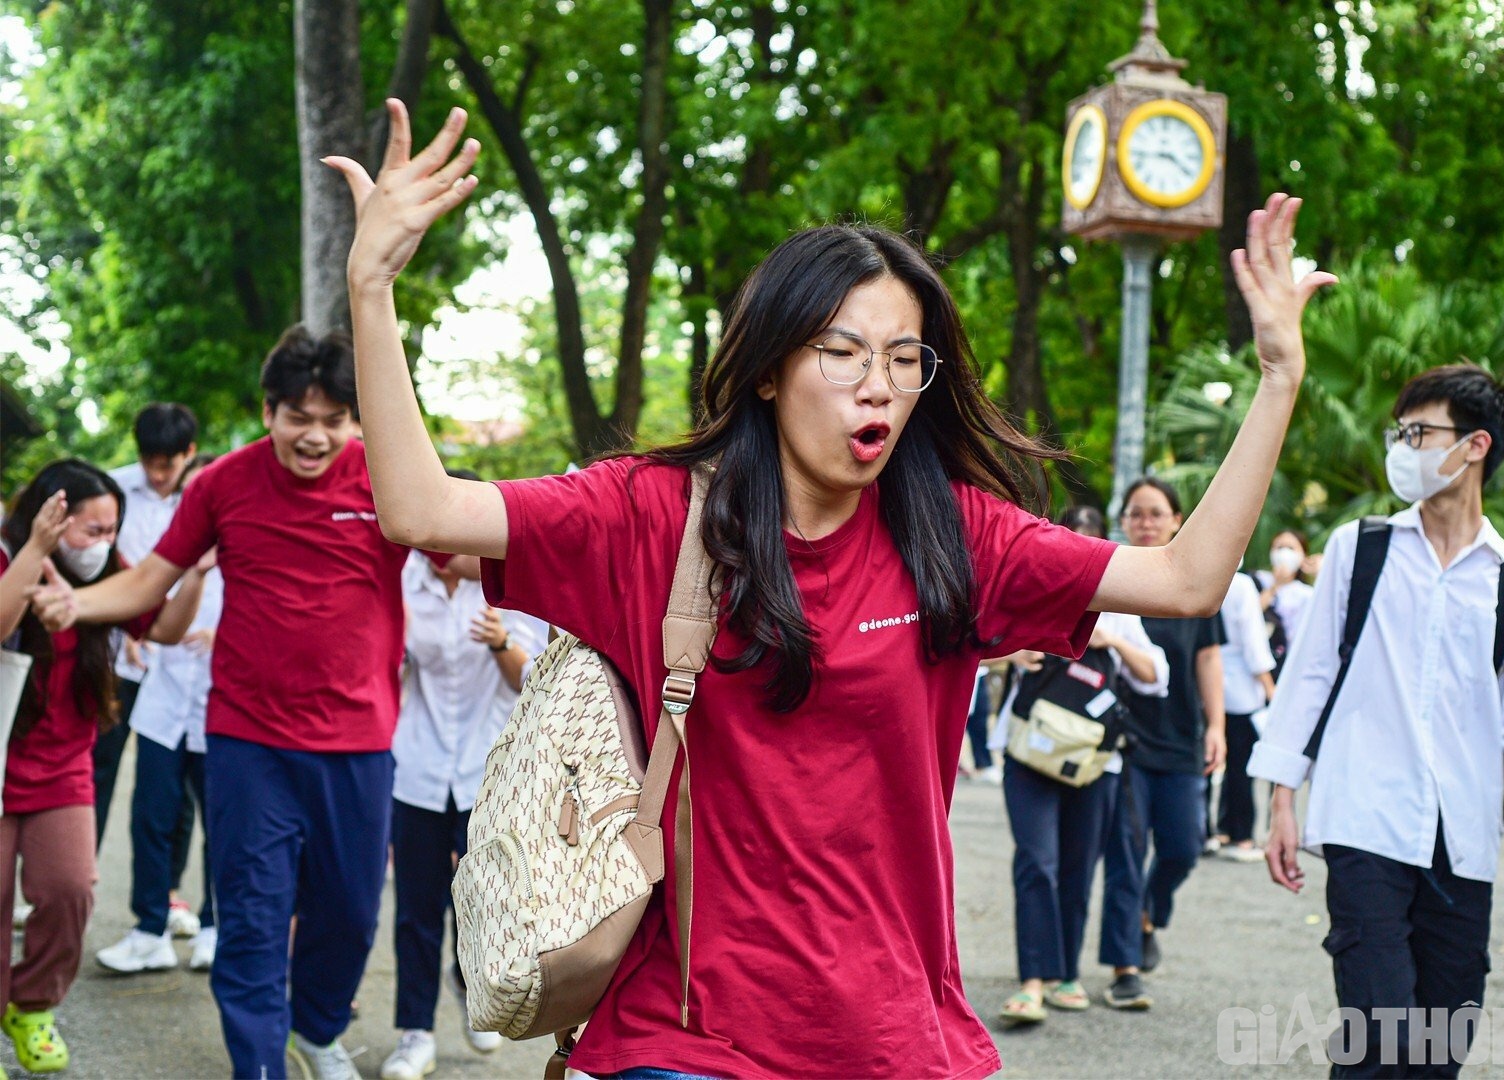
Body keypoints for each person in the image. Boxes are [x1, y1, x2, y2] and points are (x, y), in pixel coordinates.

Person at [321, 100, 1331, 1077]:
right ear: (767, 369)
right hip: (683, 1039)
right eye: (841, 353)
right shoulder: (650, 516)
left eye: (902, 358)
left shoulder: (956, 537)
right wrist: (371, 291)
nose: (877, 384)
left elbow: (1189, 574)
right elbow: (420, 510)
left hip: (893, 1040)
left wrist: (1276, 376)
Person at [27, 331, 474, 1080]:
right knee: (254, 915)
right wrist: (79, 603)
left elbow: (467, 546)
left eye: (335, 417)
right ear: (268, 413)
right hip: (248, 740)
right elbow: (151, 582)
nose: (316, 435)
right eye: (299, 415)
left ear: (358, 423)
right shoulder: (223, 484)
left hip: (360, 743)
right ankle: (258, 1064)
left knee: (352, 912)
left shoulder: (386, 479)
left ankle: (317, 1027)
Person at [1252, 363, 1504, 1076]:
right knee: (1381, 1033)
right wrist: (1281, 796)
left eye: (1418, 432)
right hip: (1362, 821)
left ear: (1474, 446)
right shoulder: (1357, 548)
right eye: (1398, 432)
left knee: (1440, 1044)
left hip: (1460, 836)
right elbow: (1310, 675)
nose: (1401, 447)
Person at [0, 460, 209, 1073]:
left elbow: (166, 628)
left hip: (63, 763)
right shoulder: (11, 552)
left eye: (110, 530)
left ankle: (32, 1006)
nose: (103, 544)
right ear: (50, 517)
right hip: (0, 759)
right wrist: (33, 550)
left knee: (69, 890)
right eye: (89, 531)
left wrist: (194, 574)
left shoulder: (112, 573)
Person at [379, 474, 549, 1080]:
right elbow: (392, 670)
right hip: (419, 768)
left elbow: (529, 682)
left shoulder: (514, 586)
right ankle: (414, 1032)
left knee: (483, 901)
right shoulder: (403, 582)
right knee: (417, 908)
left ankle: (470, 990)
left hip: (490, 773)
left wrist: (501, 642)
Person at [994, 504, 1168, 1024]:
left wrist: (1109, 638)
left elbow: (1157, 676)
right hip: (1028, 753)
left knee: (1076, 868)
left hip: (1095, 764)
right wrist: (1014, 651)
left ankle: (1065, 973)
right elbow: (972, 653)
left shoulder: (1118, 605)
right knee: (1036, 862)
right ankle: (1031, 981)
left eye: (1087, 542)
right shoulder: (1024, 594)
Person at [1096, 477, 1226, 1010]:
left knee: (1183, 847)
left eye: (1155, 513)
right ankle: (1125, 965)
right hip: (1124, 741)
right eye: (1135, 514)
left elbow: (1207, 659)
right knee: (1126, 854)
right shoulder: (1111, 580)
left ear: (1177, 520)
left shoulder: (1197, 584)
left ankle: (1151, 910)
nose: (1145, 522)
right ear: (1123, 521)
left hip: (1182, 740)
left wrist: (1216, 726)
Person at [96, 454, 221, 976]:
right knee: (151, 818)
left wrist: (222, 635)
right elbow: (146, 612)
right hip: (164, 704)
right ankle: (149, 930)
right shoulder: (169, 551)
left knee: (225, 825)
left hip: (222, 709)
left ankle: (217, 928)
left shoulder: (252, 549)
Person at [96, 403, 199, 857]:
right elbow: (99, 567)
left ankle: (171, 891)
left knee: (175, 790)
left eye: (169, 465)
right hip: (120, 654)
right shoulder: (110, 490)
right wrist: (132, 624)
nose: (158, 475)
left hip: (185, 660)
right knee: (99, 767)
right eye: (149, 464)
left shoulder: (204, 495)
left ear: (189, 453)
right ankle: (82, 868)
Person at [1213, 570, 1275, 861]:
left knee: (1211, 760)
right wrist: (1270, 688)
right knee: (1240, 767)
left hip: (1208, 683)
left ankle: (1217, 829)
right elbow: (1254, 643)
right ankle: (1241, 834)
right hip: (1240, 689)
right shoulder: (1241, 584)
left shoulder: (1205, 576)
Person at [1255, 528, 1314, 671]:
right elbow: (1251, 614)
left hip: (1293, 664)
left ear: (1303, 556)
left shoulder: (1307, 594)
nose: (1284, 553)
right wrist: (1276, 585)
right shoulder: (1257, 580)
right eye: (1280, 547)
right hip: (1259, 661)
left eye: (1291, 548)